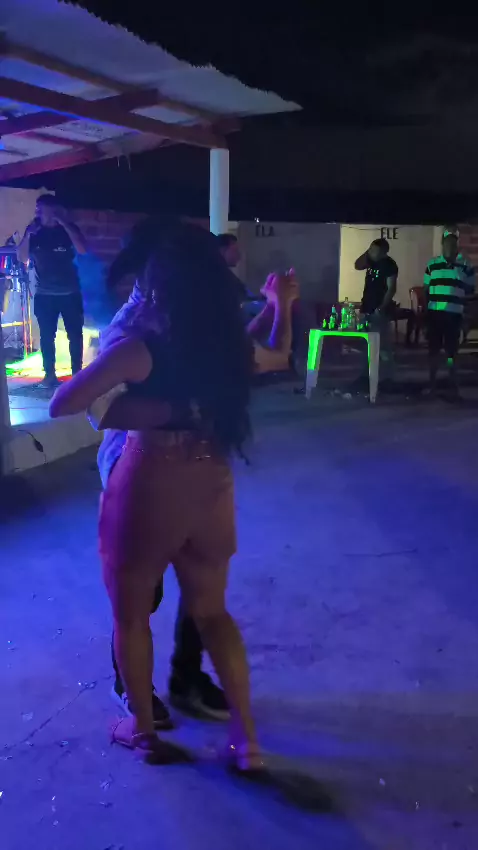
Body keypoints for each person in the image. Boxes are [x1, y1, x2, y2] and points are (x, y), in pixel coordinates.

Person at [50, 221, 297, 769]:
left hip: (150, 476)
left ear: (157, 280)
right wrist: (281, 303)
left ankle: (143, 731)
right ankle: (247, 740)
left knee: (132, 613)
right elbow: (277, 355)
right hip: (211, 476)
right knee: (213, 612)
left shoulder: (140, 346)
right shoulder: (223, 345)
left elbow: (64, 403)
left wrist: (148, 409)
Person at [17, 194, 87, 389]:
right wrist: (27, 234)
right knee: (47, 337)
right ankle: (49, 376)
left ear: (53, 209)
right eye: (37, 209)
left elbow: (82, 249)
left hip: (70, 293)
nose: (37, 212)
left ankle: (78, 375)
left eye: (41, 208)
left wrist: (64, 223)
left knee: (75, 335)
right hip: (44, 294)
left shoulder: (68, 230)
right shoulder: (34, 232)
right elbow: (22, 258)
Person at [424, 230, 475, 396]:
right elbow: (426, 290)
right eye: (447, 243)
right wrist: (426, 315)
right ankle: (432, 385)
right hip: (435, 314)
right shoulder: (432, 264)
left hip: (454, 315)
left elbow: (470, 293)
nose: (450, 247)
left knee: (452, 353)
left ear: (457, 246)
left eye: (453, 244)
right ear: (442, 245)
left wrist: (466, 317)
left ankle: (453, 387)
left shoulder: (466, 266)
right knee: (433, 351)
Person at [354, 238, 398, 383]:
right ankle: (364, 376)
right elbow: (357, 265)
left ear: (384, 252)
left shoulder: (389, 265)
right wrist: (368, 252)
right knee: (365, 344)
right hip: (366, 306)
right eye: (371, 249)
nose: (372, 253)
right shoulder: (370, 261)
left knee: (382, 345)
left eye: (375, 250)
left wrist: (381, 307)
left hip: (379, 310)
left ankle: (387, 378)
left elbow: (391, 288)